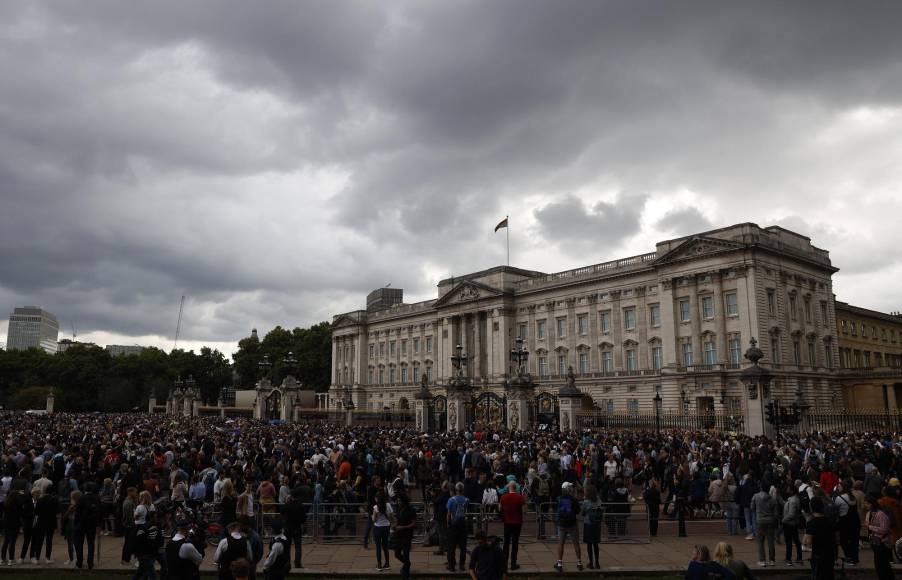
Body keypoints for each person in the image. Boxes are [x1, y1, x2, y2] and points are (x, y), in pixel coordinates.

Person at [803, 497, 836, 580]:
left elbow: (807, 542)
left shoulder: (811, 523)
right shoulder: (830, 521)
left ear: (811, 508)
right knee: (828, 574)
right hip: (830, 553)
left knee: (818, 574)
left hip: (818, 554)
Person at [864, 494, 894, 580]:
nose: (865, 505)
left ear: (872, 504)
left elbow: (884, 529)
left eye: (867, 503)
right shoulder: (868, 513)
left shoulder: (881, 514)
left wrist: (870, 527)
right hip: (874, 542)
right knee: (878, 564)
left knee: (883, 564)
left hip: (882, 543)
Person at [554, 481, 582, 573]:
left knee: (561, 544)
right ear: (569, 489)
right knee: (576, 543)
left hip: (561, 524)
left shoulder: (559, 498)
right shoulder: (574, 499)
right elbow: (578, 511)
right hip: (572, 524)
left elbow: (557, 510)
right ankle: (579, 563)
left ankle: (559, 563)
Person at [498, 480, 526, 571]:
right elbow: (524, 511)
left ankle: (504, 563)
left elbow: (499, 509)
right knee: (515, 543)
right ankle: (513, 564)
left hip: (507, 522)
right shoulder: (520, 498)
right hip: (517, 523)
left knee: (506, 543)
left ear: (508, 487)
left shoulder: (503, 497)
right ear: (516, 487)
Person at [74, 481, 101, 570]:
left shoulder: (81, 498)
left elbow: (77, 513)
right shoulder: (96, 498)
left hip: (81, 524)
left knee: (79, 544)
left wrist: (76, 523)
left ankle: (79, 562)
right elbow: (99, 512)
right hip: (92, 524)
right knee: (91, 543)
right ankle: (90, 562)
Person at [750, 484, 778, 567]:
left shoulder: (755, 496)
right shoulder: (772, 499)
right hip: (770, 521)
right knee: (770, 541)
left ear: (761, 488)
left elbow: (752, 507)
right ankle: (772, 560)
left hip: (760, 521)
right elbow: (776, 513)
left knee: (760, 542)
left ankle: (762, 560)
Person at [132, 510, 164, 580]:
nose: (157, 519)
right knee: (152, 575)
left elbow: (161, 542)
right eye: (155, 517)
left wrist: (160, 531)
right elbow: (138, 541)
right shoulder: (144, 528)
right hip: (144, 555)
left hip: (151, 553)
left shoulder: (158, 527)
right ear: (151, 518)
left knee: (141, 572)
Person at [279, 487, 306, 569]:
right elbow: (304, 518)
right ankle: (297, 563)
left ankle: (287, 563)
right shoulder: (300, 505)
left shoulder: (287, 504)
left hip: (288, 528)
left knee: (287, 546)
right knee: (298, 546)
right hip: (297, 527)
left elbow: (282, 512)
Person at [392, 493, 417, 580]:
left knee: (406, 555)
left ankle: (405, 575)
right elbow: (398, 520)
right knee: (397, 553)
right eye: (397, 501)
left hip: (407, 535)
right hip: (398, 535)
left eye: (400, 501)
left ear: (404, 501)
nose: (398, 502)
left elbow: (414, 524)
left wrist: (403, 527)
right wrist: (395, 525)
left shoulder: (411, 510)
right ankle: (407, 564)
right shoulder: (399, 509)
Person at [31, 487, 59, 564]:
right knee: (49, 541)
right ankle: (47, 558)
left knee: (39, 541)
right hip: (51, 522)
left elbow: (36, 512)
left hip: (41, 522)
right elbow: (57, 511)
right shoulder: (54, 500)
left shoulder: (40, 500)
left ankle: (37, 558)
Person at [446, 482, 470, 572]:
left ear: (456, 490)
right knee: (463, 546)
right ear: (463, 490)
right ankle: (462, 565)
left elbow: (448, 514)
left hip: (453, 524)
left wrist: (448, 524)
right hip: (462, 524)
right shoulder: (467, 500)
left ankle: (451, 565)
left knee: (451, 546)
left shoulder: (451, 500)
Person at [581, 483, 604, 570]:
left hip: (588, 524)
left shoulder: (586, 502)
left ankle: (591, 563)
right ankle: (597, 563)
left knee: (589, 544)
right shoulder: (598, 500)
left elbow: (582, 513)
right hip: (597, 524)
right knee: (596, 544)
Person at [1, 485, 24, 565]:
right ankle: (11, 559)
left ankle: (2, 559)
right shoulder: (18, 504)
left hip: (6, 523)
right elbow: (21, 513)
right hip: (15, 524)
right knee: (12, 542)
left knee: (6, 541)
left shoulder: (5, 503)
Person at [781, 485, 803, 566]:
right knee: (795, 541)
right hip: (792, 523)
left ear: (792, 491)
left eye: (788, 489)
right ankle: (797, 557)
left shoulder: (793, 501)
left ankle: (789, 559)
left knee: (790, 541)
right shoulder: (793, 499)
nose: (787, 490)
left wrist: (783, 520)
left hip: (790, 524)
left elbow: (792, 514)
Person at [371, 492, 392, 571]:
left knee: (378, 546)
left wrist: (372, 516)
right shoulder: (388, 505)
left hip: (378, 528)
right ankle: (387, 564)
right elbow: (391, 516)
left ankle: (379, 565)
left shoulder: (376, 507)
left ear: (377, 499)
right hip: (386, 527)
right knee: (385, 546)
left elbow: (374, 520)